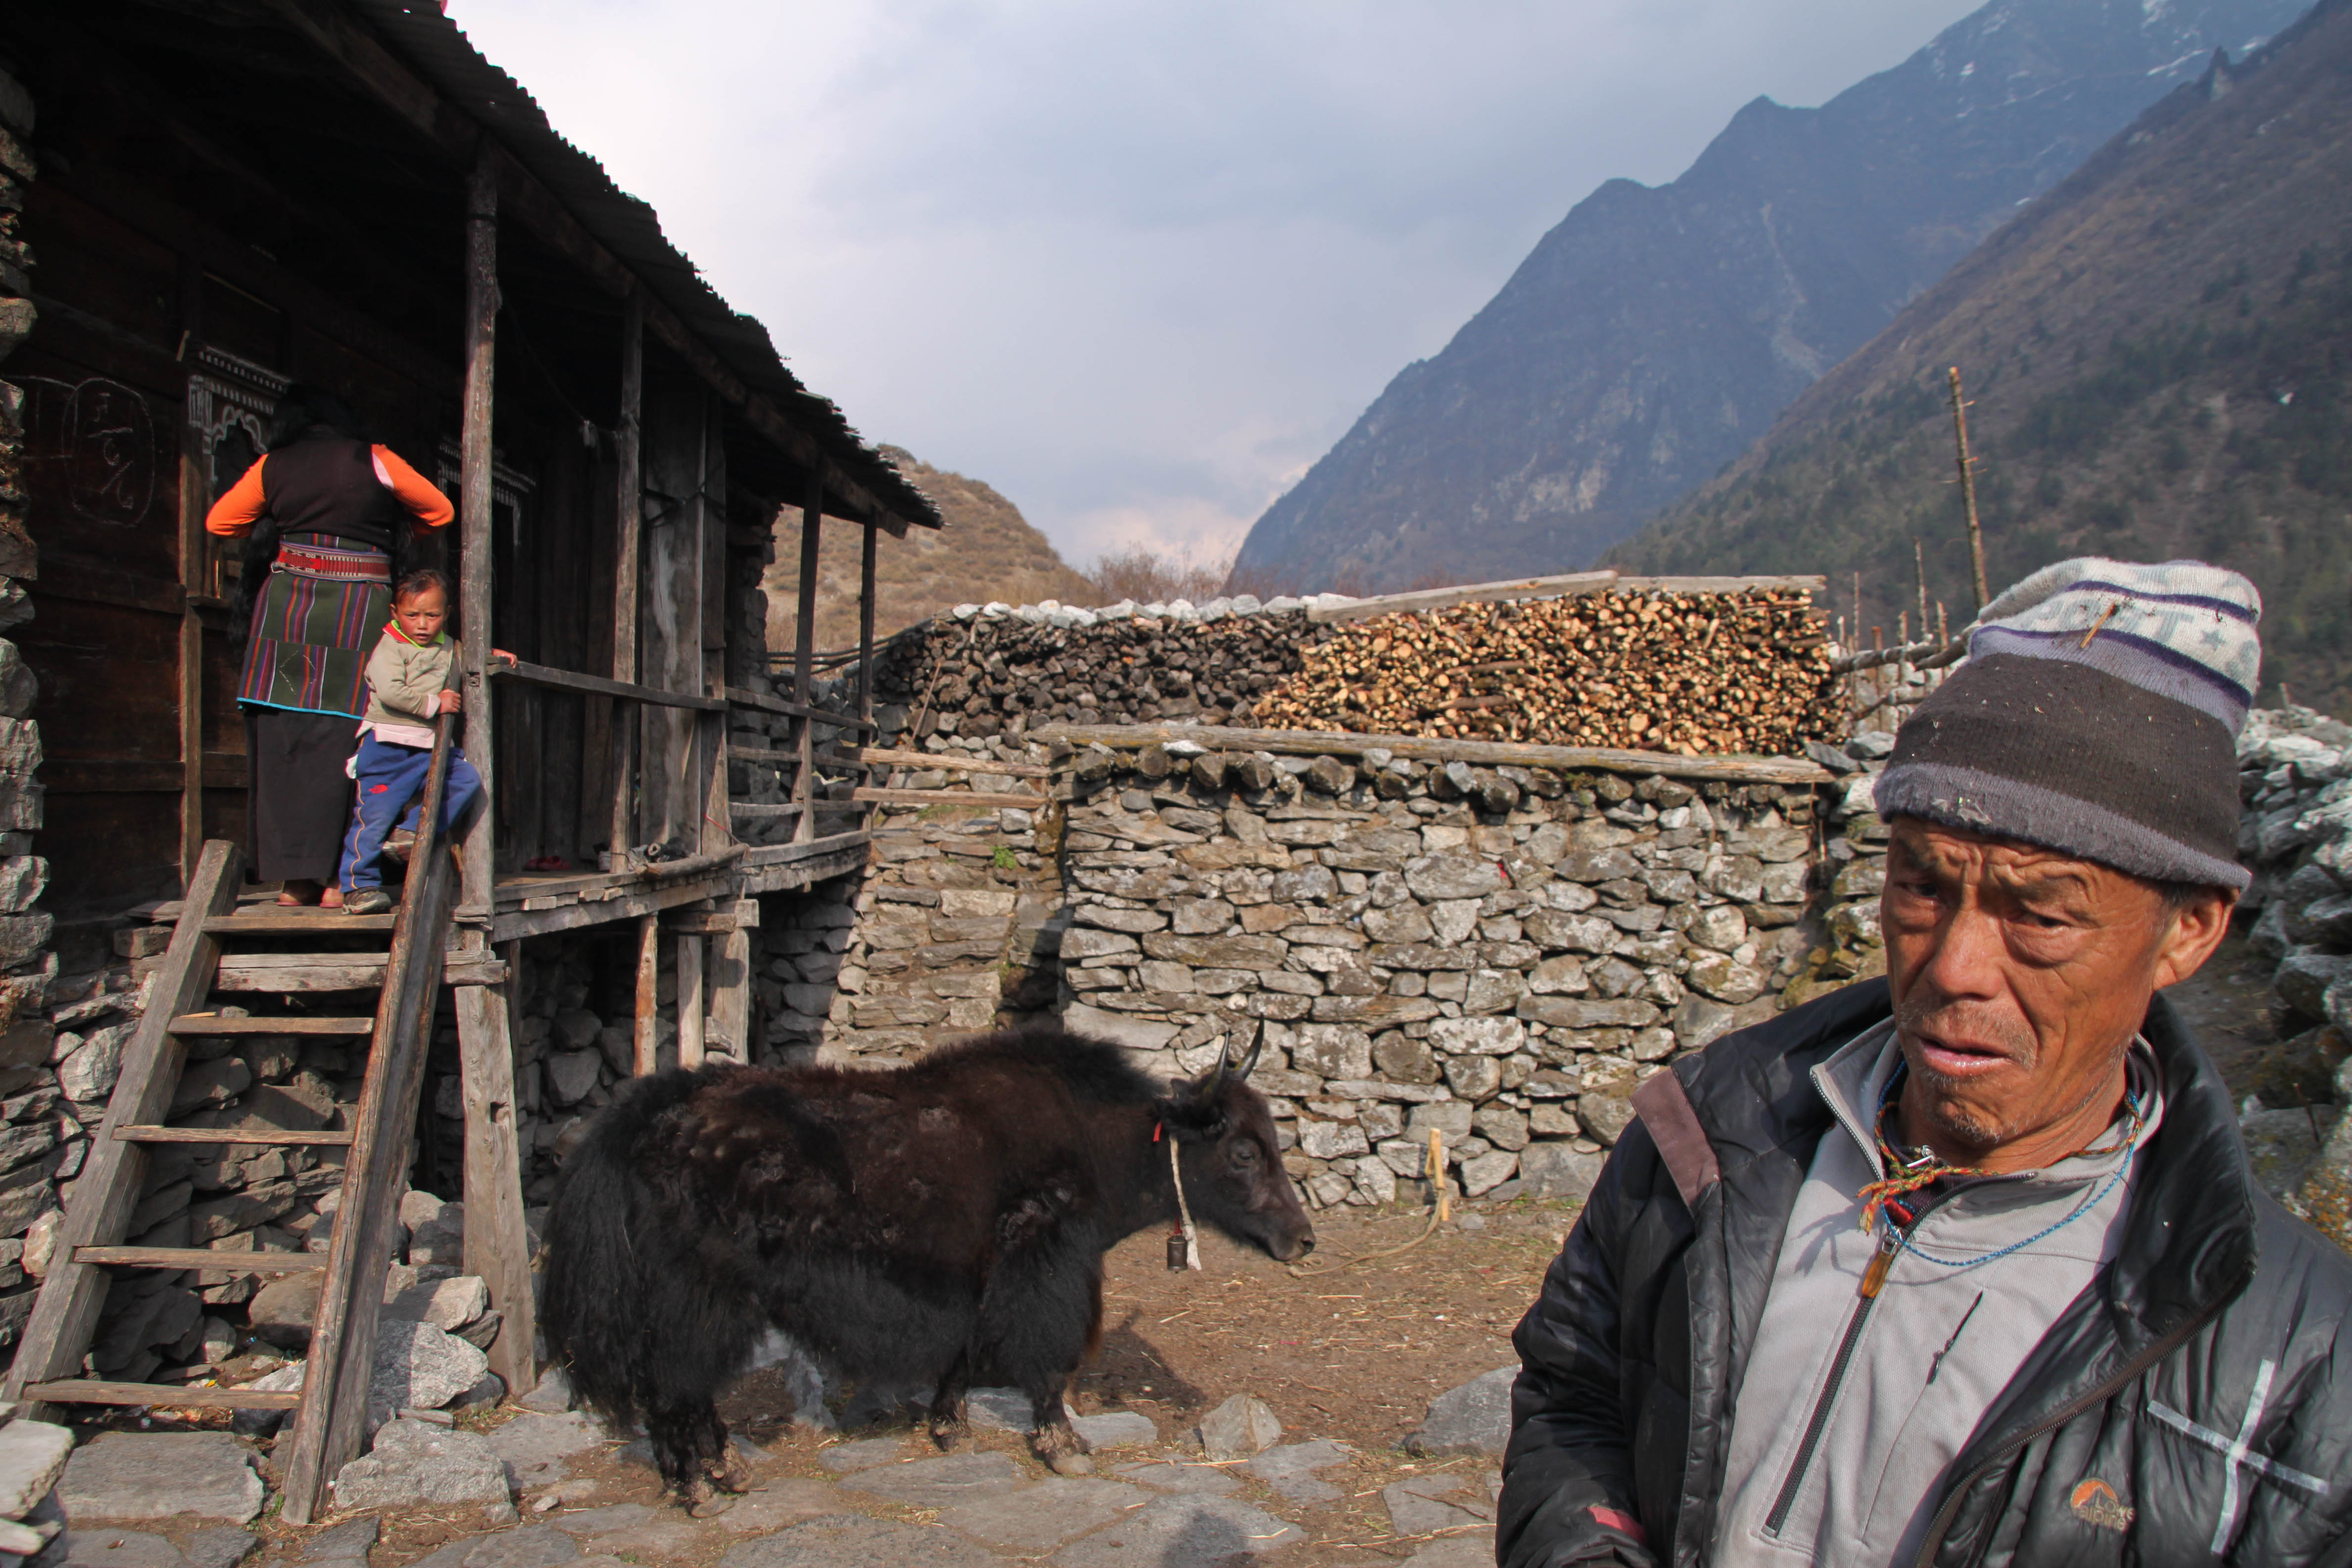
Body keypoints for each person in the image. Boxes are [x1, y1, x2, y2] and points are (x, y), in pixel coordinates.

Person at [1500, 558, 2352, 1567]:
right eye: (1921, 886)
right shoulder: (1704, 1139)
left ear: (2190, 931)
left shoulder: (2300, 1362)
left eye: (2041, 915)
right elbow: (1576, 1395)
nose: (1954, 967)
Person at [205, 385, 452, 907]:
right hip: (358, 610)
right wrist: (387, 528)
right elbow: (439, 511)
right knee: (354, 739)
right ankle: (341, 881)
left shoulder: (272, 465)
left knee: (285, 739)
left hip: (288, 613)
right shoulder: (375, 459)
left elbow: (220, 523)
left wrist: (283, 524)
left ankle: (295, 883)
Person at [337, 569, 499, 915]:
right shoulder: (391, 646)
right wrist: (435, 704)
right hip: (387, 747)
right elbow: (391, 691)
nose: (422, 625)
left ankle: (408, 835)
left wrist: (490, 657)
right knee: (373, 817)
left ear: (446, 613)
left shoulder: (448, 646)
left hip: (430, 747)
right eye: (412, 615)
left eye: (432, 615)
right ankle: (358, 887)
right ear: (395, 613)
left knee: (466, 781)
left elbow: (468, 659)